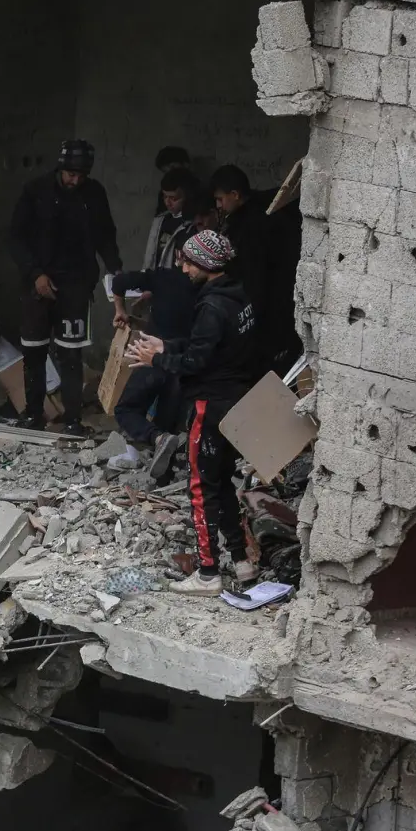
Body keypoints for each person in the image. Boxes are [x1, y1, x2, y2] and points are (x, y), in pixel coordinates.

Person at [126, 232, 262, 596]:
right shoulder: (237, 297)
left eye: (188, 261)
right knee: (221, 482)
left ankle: (207, 573)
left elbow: (195, 362)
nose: (182, 267)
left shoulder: (211, 307)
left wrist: (155, 358)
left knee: (200, 487)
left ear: (206, 264)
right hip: (234, 403)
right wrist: (167, 344)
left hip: (209, 405)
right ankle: (242, 562)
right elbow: (211, 346)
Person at [8, 139, 123, 435]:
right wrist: (35, 274)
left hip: (76, 286)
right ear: (61, 168)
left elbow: (105, 235)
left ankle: (73, 419)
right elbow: (16, 238)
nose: (75, 180)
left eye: (81, 175)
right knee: (33, 352)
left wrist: (116, 272)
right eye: (71, 174)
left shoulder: (94, 194)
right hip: (37, 285)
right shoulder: (36, 191)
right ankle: (33, 414)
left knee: (71, 355)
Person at [108, 203, 202, 473]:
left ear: (178, 256)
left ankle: (157, 441)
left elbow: (119, 282)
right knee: (169, 418)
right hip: (183, 362)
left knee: (126, 409)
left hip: (151, 358)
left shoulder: (162, 278)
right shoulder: (207, 290)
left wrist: (120, 310)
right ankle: (166, 455)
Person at [210, 165, 302, 375]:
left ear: (235, 194)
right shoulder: (265, 209)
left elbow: (254, 274)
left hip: (266, 306)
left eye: (220, 199)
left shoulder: (252, 225)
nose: (219, 206)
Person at [140, 168, 199, 274]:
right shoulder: (160, 220)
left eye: (173, 198)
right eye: (165, 196)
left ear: (187, 196)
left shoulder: (193, 225)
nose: (168, 202)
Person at [153, 146, 192, 215]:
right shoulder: (164, 193)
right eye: (165, 171)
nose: (170, 172)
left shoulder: (198, 189)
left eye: (173, 167)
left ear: (186, 164)